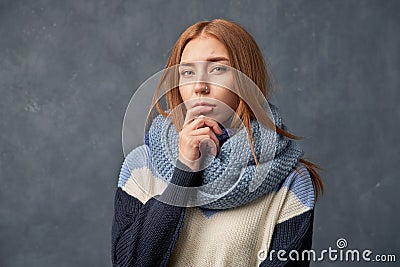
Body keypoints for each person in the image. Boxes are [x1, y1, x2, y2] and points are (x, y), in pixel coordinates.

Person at [111, 19, 323, 267]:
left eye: (218, 69)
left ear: (246, 79)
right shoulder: (140, 167)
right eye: (188, 72)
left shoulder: (292, 179)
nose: (200, 86)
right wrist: (185, 170)